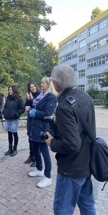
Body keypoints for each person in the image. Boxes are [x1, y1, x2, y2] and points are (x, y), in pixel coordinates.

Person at [46, 64, 96, 215]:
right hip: (87, 163)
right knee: (87, 206)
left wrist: (52, 142)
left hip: (71, 168)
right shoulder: (85, 96)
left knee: (62, 209)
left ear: (56, 83)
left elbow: (72, 144)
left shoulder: (64, 105)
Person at [28, 77, 57, 188]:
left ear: (48, 84)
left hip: (43, 128)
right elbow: (34, 106)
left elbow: (47, 112)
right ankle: (39, 169)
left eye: (43, 82)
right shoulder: (41, 96)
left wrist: (34, 113)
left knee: (44, 151)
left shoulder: (51, 97)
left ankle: (48, 176)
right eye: (41, 82)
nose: (41, 84)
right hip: (35, 127)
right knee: (35, 148)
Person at [3, 85, 25, 156]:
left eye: (11, 90)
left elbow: (22, 109)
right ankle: (10, 148)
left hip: (14, 119)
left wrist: (16, 113)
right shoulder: (8, 98)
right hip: (8, 118)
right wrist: (4, 112)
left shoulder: (19, 99)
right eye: (9, 90)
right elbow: (5, 106)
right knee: (9, 134)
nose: (9, 91)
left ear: (14, 90)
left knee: (14, 134)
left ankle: (15, 149)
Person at [24, 82, 40, 167]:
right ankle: (31, 155)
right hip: (30, 119)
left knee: (36, 139)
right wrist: (28, 102)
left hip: (37, 120)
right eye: (31, 87)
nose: (33, 88)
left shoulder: (40, 95)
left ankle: (36, 159)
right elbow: (26, 107)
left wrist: (30, 101)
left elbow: (36, 107)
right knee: (30, 138)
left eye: (34, 86)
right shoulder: (29, 96)